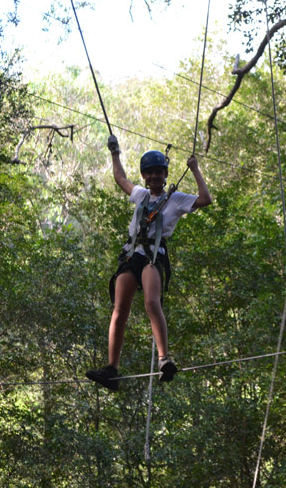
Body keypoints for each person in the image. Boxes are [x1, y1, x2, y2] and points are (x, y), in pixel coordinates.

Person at [86, 134, 212, 391]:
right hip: (132, 253)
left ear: (165, 175)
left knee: (152, 302)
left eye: (158, 172)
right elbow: (120, 178)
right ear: (144, 176)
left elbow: (205, 199)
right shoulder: (141, 195)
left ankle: (164, 359)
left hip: (153, 255)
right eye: (149, 173)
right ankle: (111, 369)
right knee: (119, 310)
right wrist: (115, 152)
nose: (154, 176)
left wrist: (195, 170)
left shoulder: (176, 199)